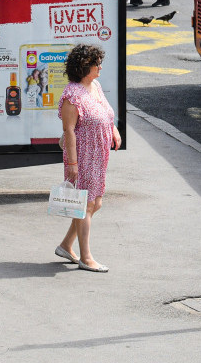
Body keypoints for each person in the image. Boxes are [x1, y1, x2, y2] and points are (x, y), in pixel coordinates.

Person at [55, 43, 120, 273]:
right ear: (85, 67)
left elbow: (105, 110)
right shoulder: (72, 96)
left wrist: (113, 129)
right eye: (96, 63)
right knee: (87, 204)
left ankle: (65, 245)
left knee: (95, 203)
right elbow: (69, 131)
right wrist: (72, 163)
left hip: (98, 154)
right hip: (82, 155)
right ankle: (86, 257)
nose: (100, 67)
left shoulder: (94, 86)